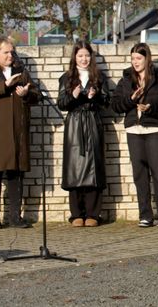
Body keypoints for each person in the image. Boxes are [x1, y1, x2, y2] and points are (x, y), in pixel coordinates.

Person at [0, 36, 39, 229]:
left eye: (12, 52)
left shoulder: (21, 71)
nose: (10, 55)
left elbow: (36, 96)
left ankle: (15, 216)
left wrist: (27, 94)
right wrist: (5, 85)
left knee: (15, 173)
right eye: (6, 52)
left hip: (17, 129)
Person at [111, 43, 158, 228]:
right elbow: (115, 105)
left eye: (138, 58)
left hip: (155, 130)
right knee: (139, 175)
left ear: (147, 59)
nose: (135, 62)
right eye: (132, 59)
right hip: (134, 130)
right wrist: (131, 100)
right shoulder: (126, 79)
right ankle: (145, 215)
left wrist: (151, 108)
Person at [57, 41, 110, 227]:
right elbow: (61, 103)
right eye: (80, 56)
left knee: (93, 167)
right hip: (75, 124)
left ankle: (93, 214)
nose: (84, 59)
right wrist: (73, 95)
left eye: (87, 55)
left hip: (93, 122)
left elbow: (107, 101)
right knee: (75, 169)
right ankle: (76, 213)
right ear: (75, 57)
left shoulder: (99, 77)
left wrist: (95, 96)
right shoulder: (67, 77)